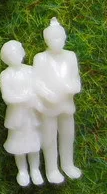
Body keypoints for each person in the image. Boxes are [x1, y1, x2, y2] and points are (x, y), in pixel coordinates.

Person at [33, 18, 82, 184]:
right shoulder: (40, 58)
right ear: (46, 40)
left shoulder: (70, 56)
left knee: (68, 135)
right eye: (53, 38)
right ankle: (52, 169)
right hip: (49, 106)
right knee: (49, 137)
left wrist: (73, 87)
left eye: (60, 38)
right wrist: (47, 94)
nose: (57, 41)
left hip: (66, 104)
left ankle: (68, 164)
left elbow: (75, 78)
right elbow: (36, 82)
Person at [0, 39, 44, 187]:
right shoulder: (5, 75)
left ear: (22, 52)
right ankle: (22, 171)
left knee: (34, 142)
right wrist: (24, 97)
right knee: (18, 145)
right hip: (17, 116)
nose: (15, 56)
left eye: (17, 52)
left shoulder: (31, 71)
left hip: (32, 113)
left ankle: (35, 170)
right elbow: (7, 96)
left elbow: (38, 88)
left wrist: (33, 98)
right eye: (10, 55)